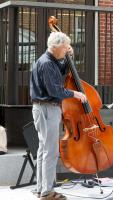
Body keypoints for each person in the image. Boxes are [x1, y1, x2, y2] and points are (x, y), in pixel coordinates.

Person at [30, 32, 87, 200]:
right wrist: (75, 94)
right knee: (50, 151)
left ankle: (41, 188)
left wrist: (69, 56)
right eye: (64, 48)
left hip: (43, 109)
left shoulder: (50, 61)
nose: (65, 50)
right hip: (47, 108)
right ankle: (47, 192)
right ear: (55, 47)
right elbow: (54, 90)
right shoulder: (47, 63)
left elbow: (61, 70)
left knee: (43, 150)